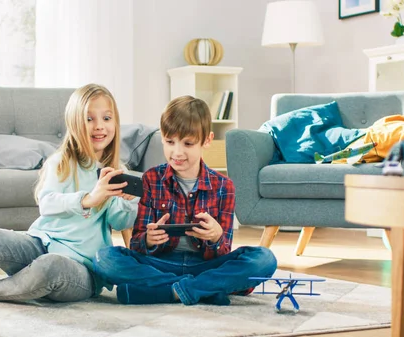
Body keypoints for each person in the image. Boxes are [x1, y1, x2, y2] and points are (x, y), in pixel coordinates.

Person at [0, 84, 139, 302]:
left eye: (107, 118)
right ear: (74, 123)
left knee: (50, 266)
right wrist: (88, 199)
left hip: (81, 269)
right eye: (89, 119)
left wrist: (128, 203)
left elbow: (119, 222)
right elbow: (47, 204)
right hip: (39, 245)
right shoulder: (61, 162)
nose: (99, 126)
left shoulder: (116, 172)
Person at [93, 95, 277, 306]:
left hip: (205, 265)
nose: (177, 152)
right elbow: (136, 245)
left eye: (188, 144)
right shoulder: (151, 179)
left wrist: (216, 236)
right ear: (162, 137)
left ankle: (167, 292)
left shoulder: (224, 186)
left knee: (264, 259)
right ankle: (202, 290)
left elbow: (223, 251)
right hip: (159, 264)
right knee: (104, 258)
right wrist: (149, 240)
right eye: (170, 142)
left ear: (206, 140)